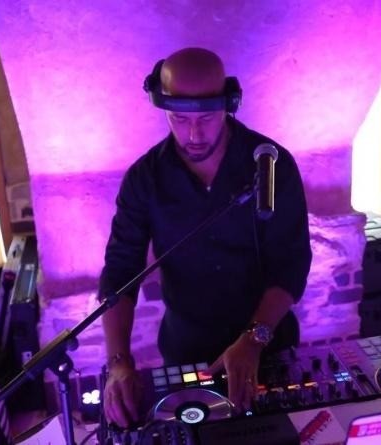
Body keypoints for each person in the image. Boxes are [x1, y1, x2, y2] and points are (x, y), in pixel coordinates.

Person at [99, 47, 312, 428]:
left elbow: (290, 264)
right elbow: (120, 270)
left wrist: (253, 340)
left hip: (269, 347)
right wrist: (118, 363)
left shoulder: (272, 166)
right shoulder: (144, 179)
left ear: (229, 105)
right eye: (179, 119)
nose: (194, 134)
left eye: (207, 118)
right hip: (187, 351)